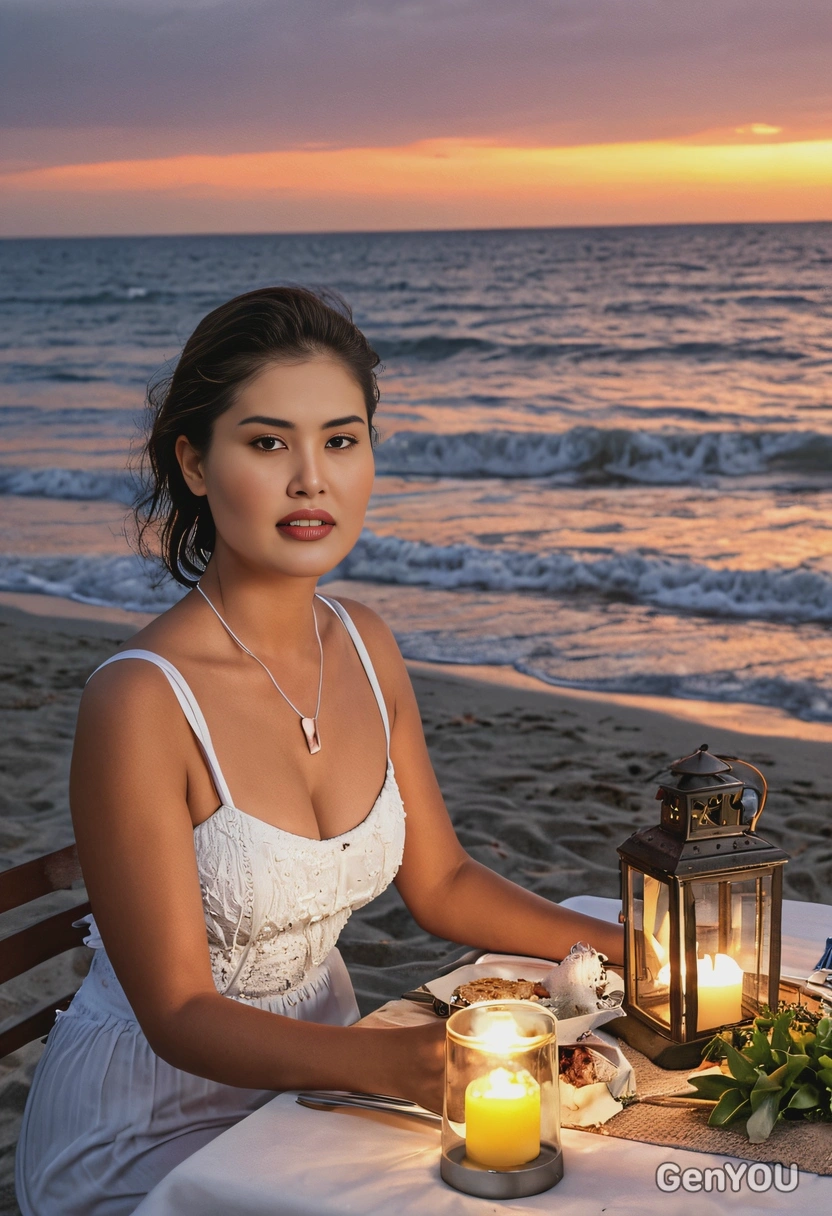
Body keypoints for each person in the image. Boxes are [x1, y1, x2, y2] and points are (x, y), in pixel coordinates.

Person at [16, 286, 623, 1215]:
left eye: (341, 440)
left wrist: (636, 949)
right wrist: (393, 1063)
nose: (313, 479)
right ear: (195, 463)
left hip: (322, 1094)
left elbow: (445, 883)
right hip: (152, 1133)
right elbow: (177, 1015)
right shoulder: (139, 699)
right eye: (268, 443)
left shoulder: (369, 644)